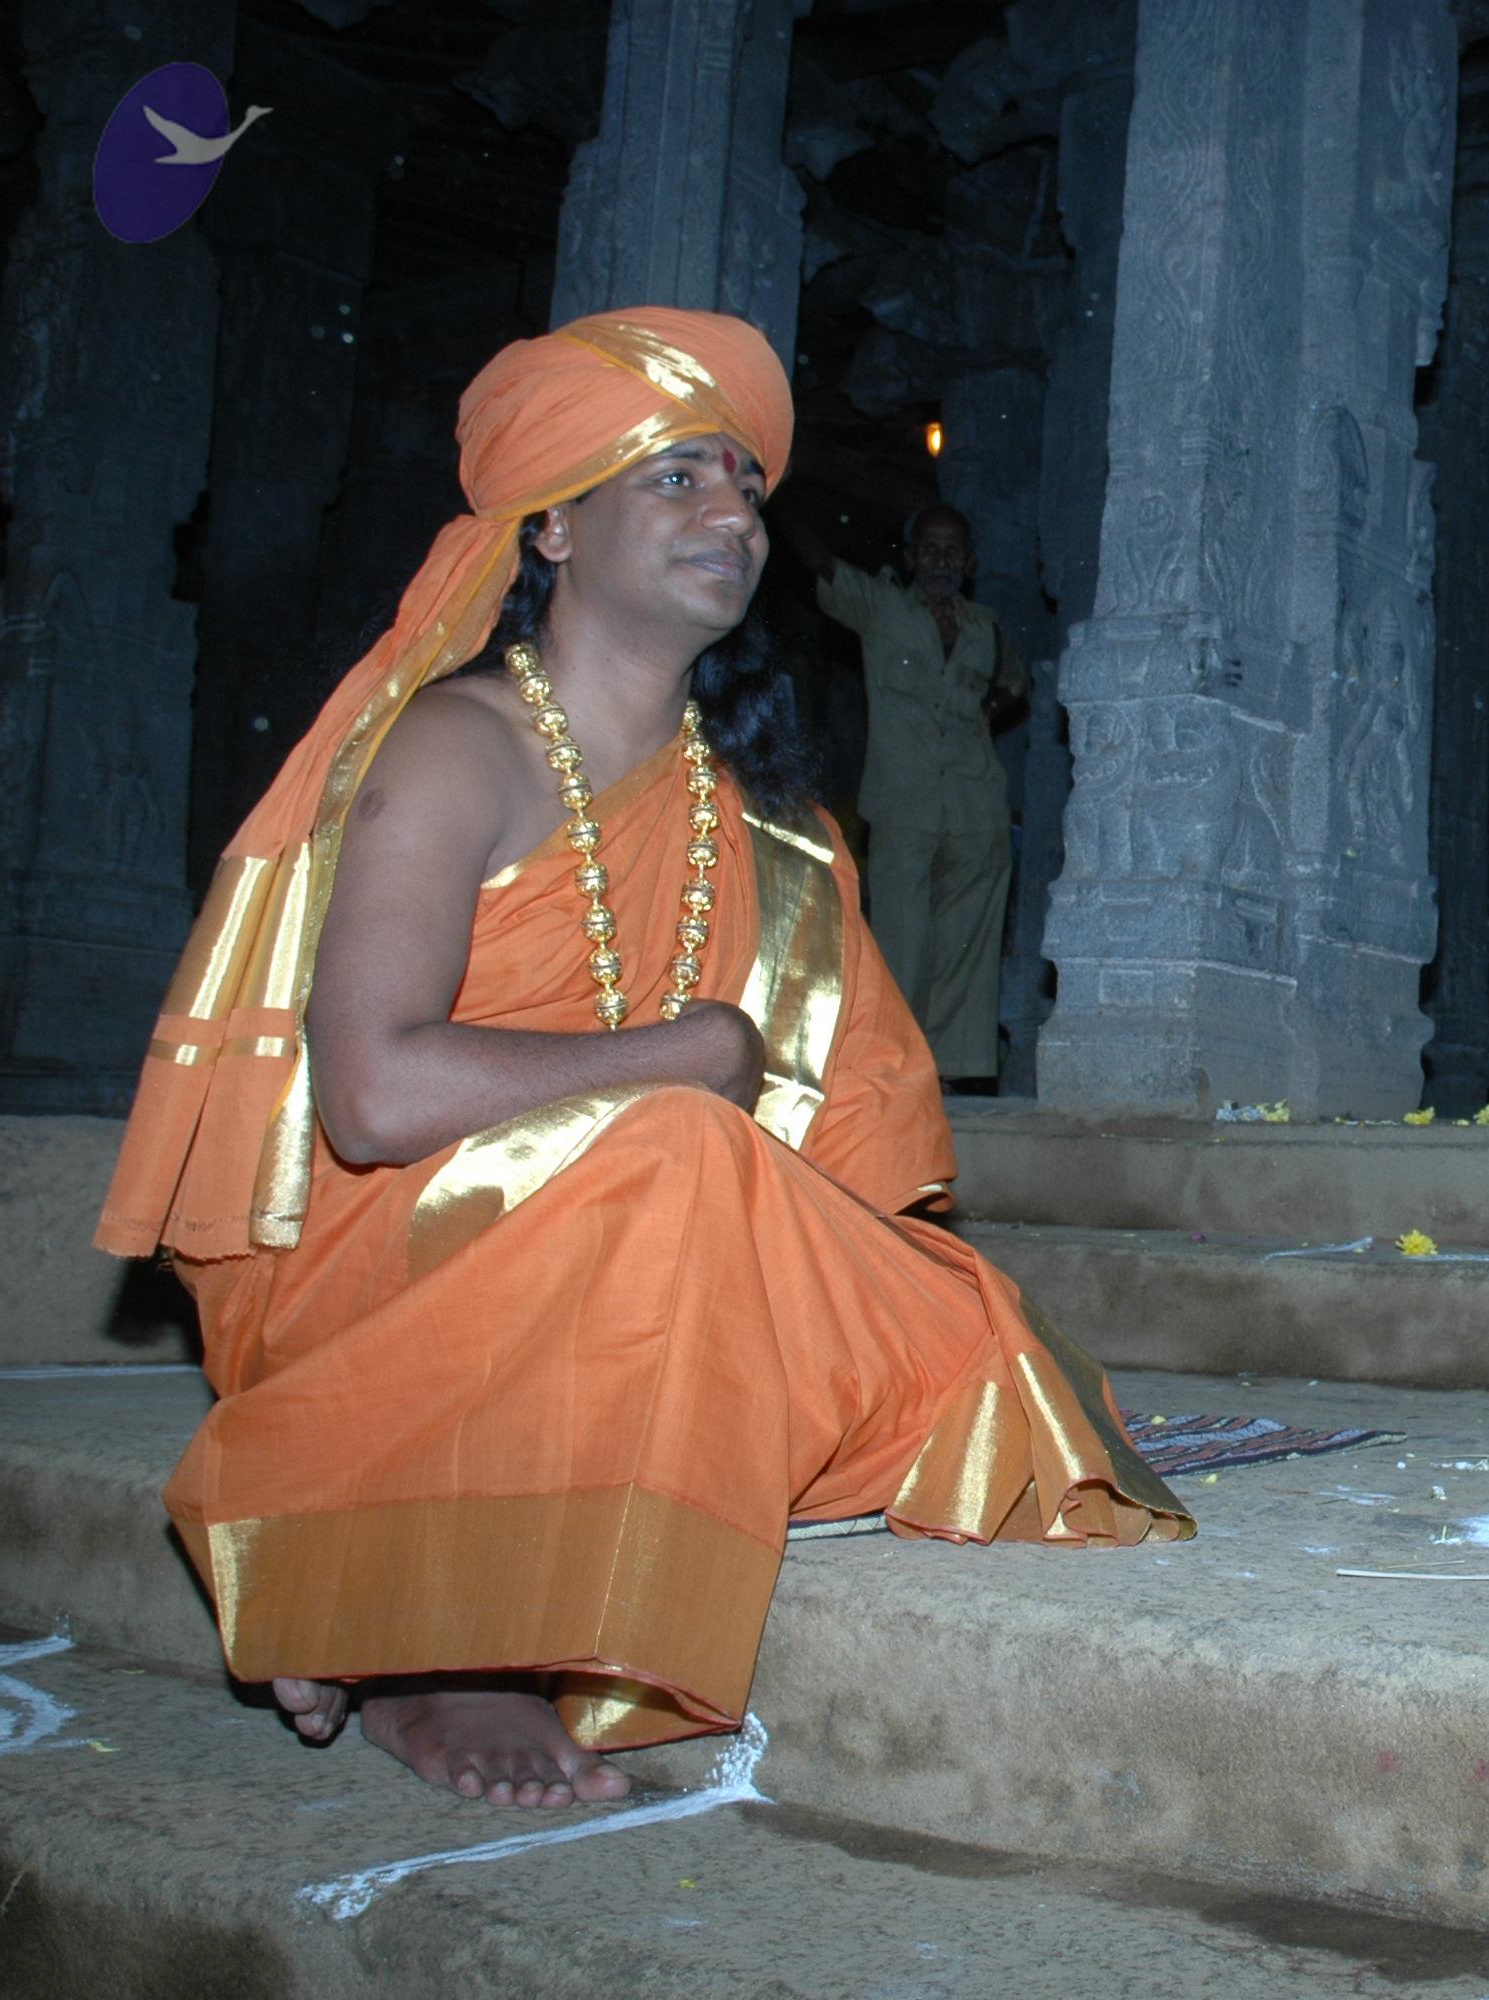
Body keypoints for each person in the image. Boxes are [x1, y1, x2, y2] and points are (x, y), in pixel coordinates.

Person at [95, 307, 1188, 1810]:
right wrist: (691, 1053)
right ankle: (433, 1634)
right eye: (677, 477)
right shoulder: (456, 747)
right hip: (401, 1252)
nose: (732, 514)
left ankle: (439, 1521)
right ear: (551, 524)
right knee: (677, 1151)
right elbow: (372, 1095)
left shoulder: (776, 829)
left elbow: (837, 1148)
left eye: (745, 484)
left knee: (978, 1341)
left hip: (659, 1223)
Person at [789, 500, 1024, 1089]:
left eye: (953, 551)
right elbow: (820, 561)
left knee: (967, 947)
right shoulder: (882, 607)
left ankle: (952, 1079)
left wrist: (990, 710)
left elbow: (1015, 681)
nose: (942, 560)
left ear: (969, 562)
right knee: (901, 945)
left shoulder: (986, 626)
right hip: (903, 807)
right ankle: (891, 1077)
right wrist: (777, 492)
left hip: (975, 808)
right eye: (931, 549)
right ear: (913, 557)